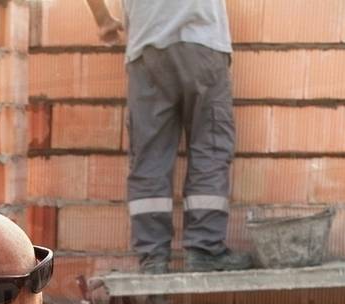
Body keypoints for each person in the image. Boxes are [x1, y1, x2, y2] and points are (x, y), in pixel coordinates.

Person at [85, 0, 251, 273]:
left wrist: (104, 20)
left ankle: (153, 259)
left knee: (149, 157)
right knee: (210, 148)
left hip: (147, 48)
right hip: (203, 40)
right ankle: (205, 250)